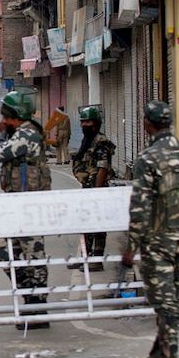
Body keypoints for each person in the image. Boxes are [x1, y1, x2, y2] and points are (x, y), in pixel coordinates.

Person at [122, 100, 179, 358]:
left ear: (148, 123)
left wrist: (131, 246)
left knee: (165, 302)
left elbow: (140, 207)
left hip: (158, 242)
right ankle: (158, 354)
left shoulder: (148, 159)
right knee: (174, 299)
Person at [0, 90, 51, 330]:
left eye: (6, 116)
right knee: (5, 254)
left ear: (13, 116)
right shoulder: (19, 133)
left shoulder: (27, 135)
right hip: (16, 207)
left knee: (33, 256)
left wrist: (1, 134)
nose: (3, 121)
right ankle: (30, 299)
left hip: (30, 207)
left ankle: (38, 307)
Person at [69, 106, 115, 271]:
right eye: (82, 122)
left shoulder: (101, 141)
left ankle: (96, 258)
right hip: (88, 187)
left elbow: (103, 166)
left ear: (96, 123)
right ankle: (85, 257)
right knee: (86, 223)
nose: (84, 125)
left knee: (98, 225)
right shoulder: (88, 140)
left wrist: (96, 192)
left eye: (87, 122)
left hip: (98, 189)